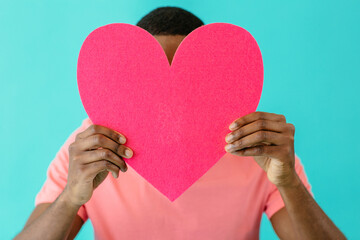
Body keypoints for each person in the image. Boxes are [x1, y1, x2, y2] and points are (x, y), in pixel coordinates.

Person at [14, 6, 346, 240]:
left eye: (188, 83)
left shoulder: (259, 147)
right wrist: (72, 195)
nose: (172, 103)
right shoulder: (91, 147)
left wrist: (289, 183)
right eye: (155, 85)